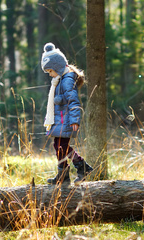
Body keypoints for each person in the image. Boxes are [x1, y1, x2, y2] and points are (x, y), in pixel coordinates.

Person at [41, 42, 93, 185]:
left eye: (50, 71)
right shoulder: (60, 80)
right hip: (61, 119)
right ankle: (63, 176)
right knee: (58, 146)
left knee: (61, 146)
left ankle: (82, 167)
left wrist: (75, 120)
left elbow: (73, 101)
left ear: (57, 66)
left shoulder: (67, 80)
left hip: (66, 120)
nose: (50, 75)